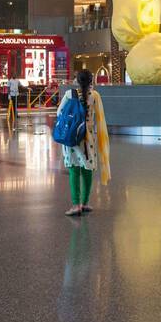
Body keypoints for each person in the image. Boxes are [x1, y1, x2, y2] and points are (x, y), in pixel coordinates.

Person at [57, 69, 110, 216]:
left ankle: (76, 205)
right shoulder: (95, 96)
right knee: (87, 169)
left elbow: (59, 113)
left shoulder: (69, 94)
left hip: (72, 138)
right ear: (91, 80)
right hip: (88, 139)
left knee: (74, 170)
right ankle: (85, 203)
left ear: (77, 80)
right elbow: (100, 117)